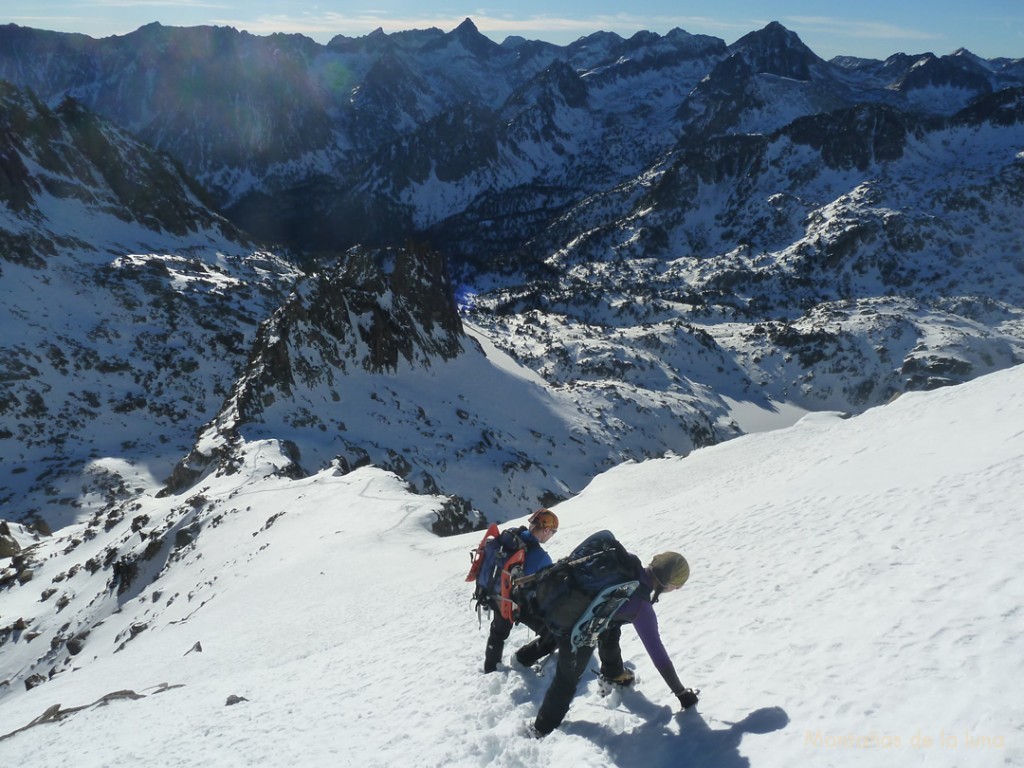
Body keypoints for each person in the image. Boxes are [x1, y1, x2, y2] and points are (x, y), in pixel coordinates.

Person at [530, 549, 697, 737]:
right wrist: (681, 693)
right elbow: (658, 655)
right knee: (567, 680)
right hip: (575, 628)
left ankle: (613, 672)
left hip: (566, 604)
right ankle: (541, 729)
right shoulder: (641, 606)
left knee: (611, 626)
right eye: (677, 586)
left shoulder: (628, 568)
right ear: (669, 584)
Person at [483, 508, 559, 673]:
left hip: (497, 595)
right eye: (552, 532)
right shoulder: (541, 556)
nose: (551, 535)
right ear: (546, 530)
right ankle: (522, 658)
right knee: (555, 634)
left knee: (498, 633)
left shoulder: (511, 537)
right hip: (518, 605)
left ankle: (490, 669)